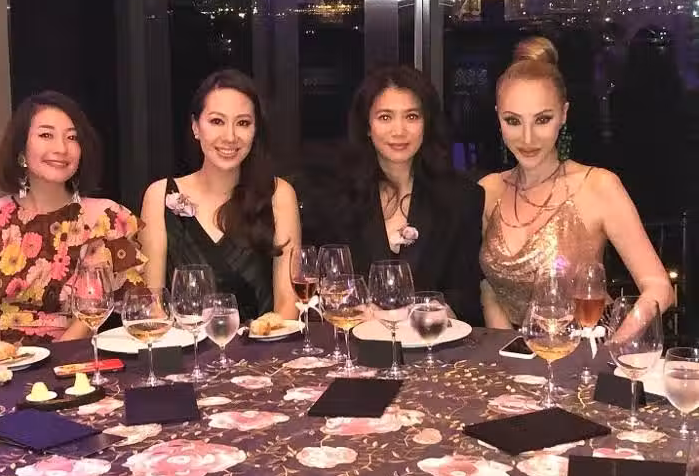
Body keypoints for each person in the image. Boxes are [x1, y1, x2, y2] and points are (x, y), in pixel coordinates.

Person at [0, 91, 146, 344]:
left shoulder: (102, 220)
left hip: (69, 360)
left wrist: (50, 363)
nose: (61, 148)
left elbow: (99, 314)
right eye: (46, 135)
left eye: (72, 137)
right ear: (21, 151)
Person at [479, 37, 673, 328]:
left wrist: (618, 342)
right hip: (516, 352)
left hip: (589, 348)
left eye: (542, 120)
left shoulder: (598, 186)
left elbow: (659, 288)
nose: (528, 138)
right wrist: (507, 347)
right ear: (498, 118)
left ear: (564, 115)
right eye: (513, 121)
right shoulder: (488, 190)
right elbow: (488, 286)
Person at [315, 66, 485, 326]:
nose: (399, 131)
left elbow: (467, 300)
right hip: (357, 344)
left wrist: (412, 313)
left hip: (432, 343)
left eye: (412, 117)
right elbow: (327, 290)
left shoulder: (462, 198)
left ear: (427, 123)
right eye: (385, 117)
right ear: (367, 126)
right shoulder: (335, 198)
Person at [140, 69, 299, 322]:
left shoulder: (278, 194)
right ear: (195, 127)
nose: (230, 137)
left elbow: (288, 302)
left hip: (262, 344)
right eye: (217, 121)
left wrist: (266, 337)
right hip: (184, 344)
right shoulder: (159, 195)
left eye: (243, 123)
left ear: (256, 130)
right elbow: (152, 304)